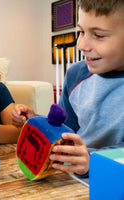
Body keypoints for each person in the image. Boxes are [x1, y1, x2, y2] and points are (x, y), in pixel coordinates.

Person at [13, 0, 124, 177]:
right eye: (81, 32)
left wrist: (92, 160)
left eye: (98, 35)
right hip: (71, 177)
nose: (82, 45)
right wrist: (43, 122)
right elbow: (65, 129)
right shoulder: (75, 74)